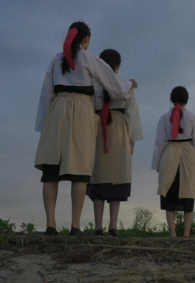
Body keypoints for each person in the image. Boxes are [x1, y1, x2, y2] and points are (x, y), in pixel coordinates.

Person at [34, 22, 126, 236]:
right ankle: (75, 226)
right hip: (82, 113)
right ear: (86, 40)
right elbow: (112, 84)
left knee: (51, 171)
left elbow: (46, 94)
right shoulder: (88, 57)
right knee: (80, 170)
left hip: (57, 112)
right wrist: (127, 86)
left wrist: (43, 125)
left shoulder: (56, 60)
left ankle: (51, 224)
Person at [88, 49, 142, 237]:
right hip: (119, 131)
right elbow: (132, 115)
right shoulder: (126, 87)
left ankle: (97, 227)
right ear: (118, 66)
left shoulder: (92, 86)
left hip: (97, 131)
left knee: (98, 177)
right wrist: (132, 140)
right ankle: (113, 227)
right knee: (116, 177)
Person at [151, 86, 195, 238]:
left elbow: (159, 142)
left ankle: (173, 234)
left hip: (170, 154)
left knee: (170, 194)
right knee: (187, 194)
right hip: (188, 154)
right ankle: (186, 234)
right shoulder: (193, 117)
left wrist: (157, 165)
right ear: (186, 100)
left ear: (171, 99)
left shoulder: (164, 118)